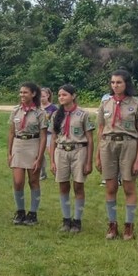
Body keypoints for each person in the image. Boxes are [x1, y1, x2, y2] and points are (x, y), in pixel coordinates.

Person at [96, 69, 138, 240]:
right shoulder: (105, 103)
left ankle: (129, 226)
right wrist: (98, 154)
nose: (115, 85)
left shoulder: (137, 104)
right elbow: (101, 129)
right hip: (108, 145)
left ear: (126, 83)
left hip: (128, 145)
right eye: (112, 82)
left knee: (128, 187)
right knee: (110, 187)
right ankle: (112, 225)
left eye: (119, 82)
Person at [48, 85, 94, 233]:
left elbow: (90, 139)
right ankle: (66, 219)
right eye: (59, 95)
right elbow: (53, 137)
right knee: (63, 186)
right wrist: (52, 161)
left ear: (73, 96)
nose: (61, 97)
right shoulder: (56, 114)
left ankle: (77, 220)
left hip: (79, 150)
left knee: (78, 186)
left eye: (65, 95)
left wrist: (88, 161)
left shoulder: (83, 114)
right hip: (61, 151)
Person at [7, 82, 48, 226]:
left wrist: (40, 156)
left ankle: (33, 213)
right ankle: (20, 211)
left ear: (33, 94)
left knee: (33, 181)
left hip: (33, 145)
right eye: (21, 92)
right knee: (18, 182)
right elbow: (11, 132)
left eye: (25, 92)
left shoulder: (40, 113)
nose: (22, 95)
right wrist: (9, 152)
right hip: (18, 146)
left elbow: (43, 136)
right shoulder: (15, 111)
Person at [39, 87, 58, 180]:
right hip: (39, 133)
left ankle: (56, 173)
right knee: (39, 154)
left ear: (48, 96)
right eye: (40, 96)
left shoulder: (53, 108)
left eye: (43, 96)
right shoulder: (37, 107)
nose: (41, 98)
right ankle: (42, 173)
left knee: (51, 152)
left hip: (49, 133)